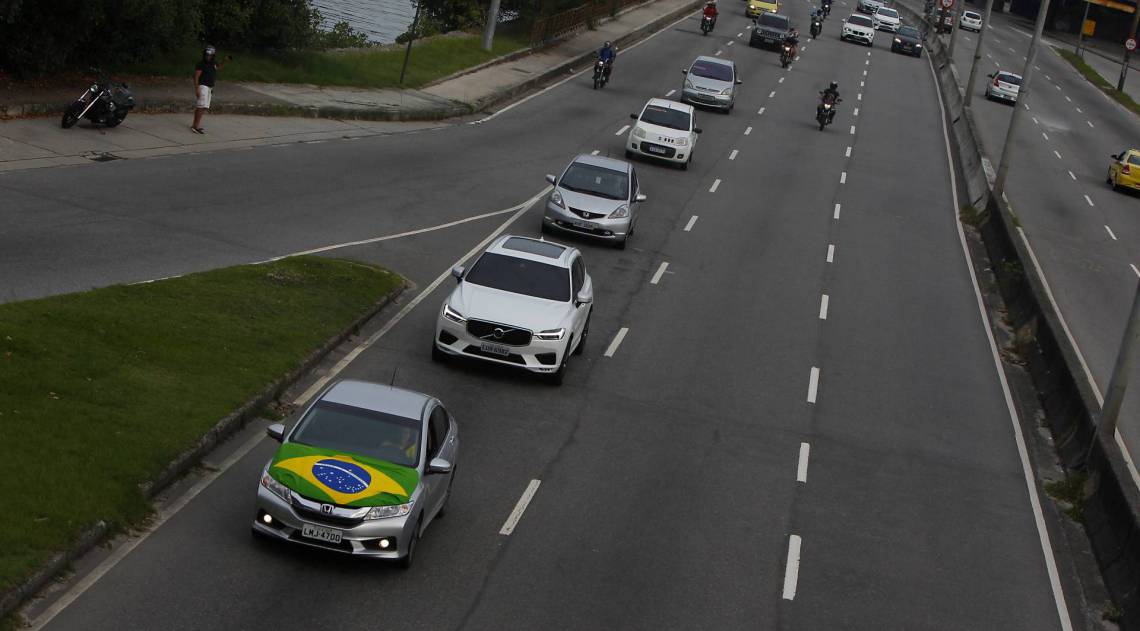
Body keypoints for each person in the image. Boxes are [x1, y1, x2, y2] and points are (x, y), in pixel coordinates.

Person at [192, 45, 231, 134]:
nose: (208, 57)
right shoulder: (201, 64)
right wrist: (197, 88)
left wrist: (225, 61)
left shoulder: (214, 63)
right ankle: (195, 126)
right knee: (201, 106)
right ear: (204, 55)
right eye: (207, 55)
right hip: (203, 86)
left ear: (213, 56)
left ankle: (195, 125)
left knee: (203, 107)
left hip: (210, 87)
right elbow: (196, 77)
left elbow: (219, 67)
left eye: (210, 55)